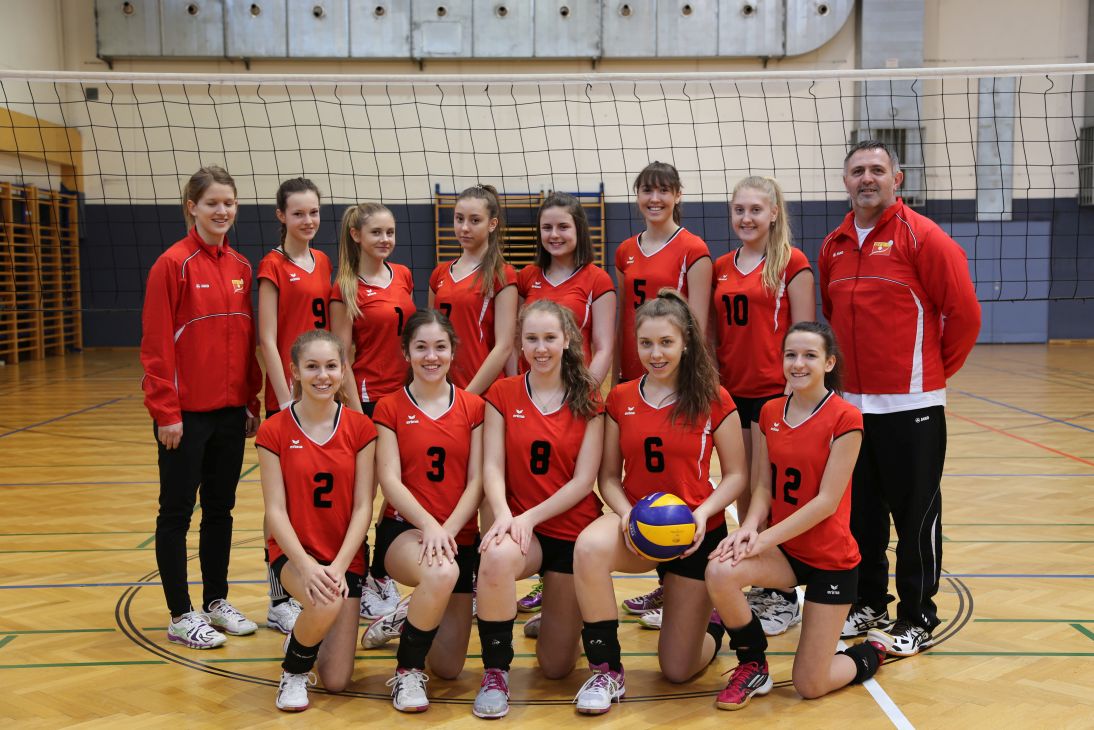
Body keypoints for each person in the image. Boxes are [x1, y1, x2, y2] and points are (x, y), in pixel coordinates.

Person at [818, 140, 980, 656]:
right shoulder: (834, 245)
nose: (867, 178)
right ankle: (870, 602)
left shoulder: (923, 237)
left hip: (912, 407)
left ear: (897, 178)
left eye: (877, 170)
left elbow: (965, 315)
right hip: (852, 408)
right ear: (846, 181)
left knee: (915, 518)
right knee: (861, 515)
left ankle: (917, 617)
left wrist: (929, 376)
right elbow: (831, 315)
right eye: (857, 171)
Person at [571, 289, 748, 715]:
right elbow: (608, 477)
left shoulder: (712, 397)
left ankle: (711, 622)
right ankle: (606, 669)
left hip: (694, 531)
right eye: (646, 343)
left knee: (677, 669)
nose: (656, 354)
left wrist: (703, 514)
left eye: (666, 342)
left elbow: (737, 475)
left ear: (685, 343)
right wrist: (626, 514)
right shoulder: (621, 398)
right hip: (636, 524)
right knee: (588, 548)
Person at [706, 321, 887, 710]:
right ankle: (752, 664)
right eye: (791, 354)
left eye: (809, 355)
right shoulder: (769, 411)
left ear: (829, 362)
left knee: (810, 684)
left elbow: (826, 502)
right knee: (720, 570)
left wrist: (764, 539)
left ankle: (869, 653)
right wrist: (748, 529)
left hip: (830, 561)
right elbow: (762, 488)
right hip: (787, 553)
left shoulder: (846, 418)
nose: (798, 363)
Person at [140, 165, 261, 650]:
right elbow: (155, 347)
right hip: (185, 416)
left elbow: (247, 341)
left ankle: (215, 601)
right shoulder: (172, 264)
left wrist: (250, 399)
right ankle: (179, 613)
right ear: (192, 207)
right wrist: (165, 412)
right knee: (175, 514)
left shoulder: (242, 267)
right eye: (213, 203)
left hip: (231, 413)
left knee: (220, 510)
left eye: (229, 203)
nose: (222, 211)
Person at [472, 300, 605, 719]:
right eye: (532, 339)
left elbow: (583, 481)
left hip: (571, 531)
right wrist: (504, 514)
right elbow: (492, 466)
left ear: (567, 340)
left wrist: (529, 516)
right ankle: (496, 672)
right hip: (519, 527)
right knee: (495, 558)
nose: (541, 348)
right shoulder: (502, 393)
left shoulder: (588, 397)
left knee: (556, 667)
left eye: (549, 338)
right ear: (521, 343)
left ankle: (564, 618)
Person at [361, 310, 485, 713]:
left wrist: (448, 529)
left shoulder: (473, 407)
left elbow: (477, 481)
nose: (431, 356)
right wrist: (431, 526)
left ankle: (408, 615)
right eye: (421, 347)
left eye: (440, 347)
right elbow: (389, 480)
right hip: (405, 532)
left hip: (458, 536)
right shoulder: (389, 407)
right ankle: (407, 671)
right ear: (406, 352)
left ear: (453, 351)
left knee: (449, 668)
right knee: (441, 571)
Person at [710, 175, 815, 637]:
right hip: (733, 394)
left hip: (777, 395)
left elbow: (807, 335)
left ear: (774, 213)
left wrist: (797, 395)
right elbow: (714, 333)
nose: (746, 218)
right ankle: (760, 581)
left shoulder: (792, 262)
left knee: (771, 493)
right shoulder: (721, 266)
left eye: (755, 209)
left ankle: (783, 594)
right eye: (739, 210)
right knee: (746, 493)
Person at [256, 329, 377, 712]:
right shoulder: (274, 429)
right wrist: (308, 567)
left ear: (343, 370)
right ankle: (293, 671)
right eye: (312, 367)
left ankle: (305, 632)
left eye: (331, 366)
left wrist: (339, 567)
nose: (322, 376)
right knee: (325, 602)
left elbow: (363, 507)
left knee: (337, 680)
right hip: (295, 556)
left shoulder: (360, 428)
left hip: (345, 558)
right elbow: (275, 511)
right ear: (295, 371)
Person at [257, 177, 331, 635]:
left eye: (314, 212)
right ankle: (278, 599)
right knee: (280, 503)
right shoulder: (272, 264)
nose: (308, 220)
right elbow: (267, 338)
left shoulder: (323, 261)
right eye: (299, 213)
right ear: (281, 216)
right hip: (289, 400)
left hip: (321, 396)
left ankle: (316, 584)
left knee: (315, 501)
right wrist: (285, 400)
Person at [614, 162, 711, 383]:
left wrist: (690, 380)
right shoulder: (624, 251)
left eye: (664, 190)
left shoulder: (693, 249)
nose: (655, 198)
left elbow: (698, 329)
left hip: (674, 374)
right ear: (638, 195)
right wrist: (616, 374)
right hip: (631, 369)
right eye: (647, 190)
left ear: (678, 195)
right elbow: (623, 320)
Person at [516, 192, 616, 385]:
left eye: (563, 227)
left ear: (578, 229)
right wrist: (518, 386)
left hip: (576, 387)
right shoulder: (527, 276)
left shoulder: (598, 279)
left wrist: (585, 392)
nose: (554, 234)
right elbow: (515, 341)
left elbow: (604, 349)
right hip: (531, 389)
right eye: (547, 228)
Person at [429, 184, 518, 395]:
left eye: (475, 220)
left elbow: (505, 346)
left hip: (483, 392)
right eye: (459, 219)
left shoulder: (502, 274)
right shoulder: (439, 273)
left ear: (492, 224)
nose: (464, 228)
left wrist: (468, 396)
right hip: (443, 390)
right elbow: (431, 333)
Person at [330, 202, 416, 417]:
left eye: (390, 232)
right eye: (376, 232)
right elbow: (340, 357)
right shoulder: (346, 287)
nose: (385, 239)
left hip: (410, 389)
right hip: (372, 394)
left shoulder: (403, 274)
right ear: (356, 235)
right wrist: (358, 415)